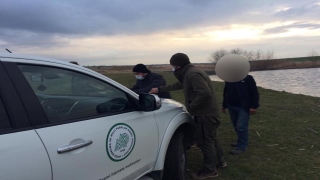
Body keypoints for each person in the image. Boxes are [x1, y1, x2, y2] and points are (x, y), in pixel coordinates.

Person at [150, 53, 226, 179]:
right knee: (211, 138)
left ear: (178, 65)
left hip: (204, 114)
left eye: (173, 65)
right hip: (207, 113)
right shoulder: (188, 73)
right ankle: (220, 161)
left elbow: (204, 93)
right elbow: (180, 85)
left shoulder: (192, 74)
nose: (172, 68)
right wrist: (160, 89)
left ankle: (210, 170)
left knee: (205, 141)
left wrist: (192, 107)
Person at [222, 75, 260, 155]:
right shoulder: (229, 78)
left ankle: (241, 146)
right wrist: (224, 105)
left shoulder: (248, 78)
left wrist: (254, 106)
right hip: (231, 105)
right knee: (236, 125)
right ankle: (241, 140)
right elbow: (226, 91)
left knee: (241, 127)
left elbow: (254, 92)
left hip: (243, 107)